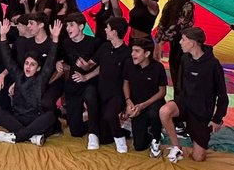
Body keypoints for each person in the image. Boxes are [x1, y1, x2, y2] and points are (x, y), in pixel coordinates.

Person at [160, 26, 228, 163]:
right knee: (164, 111)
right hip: (184, 104)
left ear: (193, 42)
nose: (180, 42)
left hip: (201, 112)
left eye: (183, 40)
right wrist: (177, 104)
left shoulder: (213, 64)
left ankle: (196, 135)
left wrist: (217, 118)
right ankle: (176, 146)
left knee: (198, 158)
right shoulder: (185, 58)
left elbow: (222, 94)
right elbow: (180, 85)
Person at [0, 17, 62, 145]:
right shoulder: (18, 75)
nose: (28, 67)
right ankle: (31, 137)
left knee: (50, 117)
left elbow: (51, 59)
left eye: (32, 65)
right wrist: (2, 36)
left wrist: (55, 38)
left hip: (36, 118)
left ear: (38, 68)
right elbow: (8, 59)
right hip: (19, 118)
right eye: (26, 63)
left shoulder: (41, 77)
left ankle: (17, 137)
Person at [58, 11, 100, 148]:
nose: (68, 29)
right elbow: (64, 62)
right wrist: (59, 63)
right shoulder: (65, 43)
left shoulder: (94, 42)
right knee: (75, 131)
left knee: (91, 94)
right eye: (67, 26)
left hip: (90, 82)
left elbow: (102, 66)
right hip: (73, 84)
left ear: (81, 26)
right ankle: (93, 122)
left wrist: (87, 75)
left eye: (71, 25)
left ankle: (94, 133)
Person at [123, 35, 168, 154]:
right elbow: (125, 83)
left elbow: (162, 92)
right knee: (139, 146)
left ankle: (156, 137)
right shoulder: (128, 64)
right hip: (136, 104)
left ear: (147, 54)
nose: (133, 54)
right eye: (132, 50)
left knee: (154, 113)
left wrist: (143, 105)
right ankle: (147, 132)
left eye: (137, 51)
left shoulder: (158, 68)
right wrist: (128, 101)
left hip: (153, 103)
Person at [155, 0, 195, 96]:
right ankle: (177, 100)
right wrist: (157, 41)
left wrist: (162, 42)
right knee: (174, 73)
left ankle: (183, 103)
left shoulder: (188, 6)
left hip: (184, 47)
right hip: (174, 46)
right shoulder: (169, 5)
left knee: (181, 77)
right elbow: (162, 23)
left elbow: (178, 26)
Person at [95, 15, 130, 152]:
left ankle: (121, 140)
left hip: (117, 94)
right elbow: (97, 66)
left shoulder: (127, 53)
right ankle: (124, 130)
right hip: (102, 91)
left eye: (107, 28)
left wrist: (127, 101)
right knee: (103, 138)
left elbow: (128, 78)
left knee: (110, 115)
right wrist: (85, 74)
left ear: (114, 32)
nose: (105, 30)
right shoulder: (104, 47)